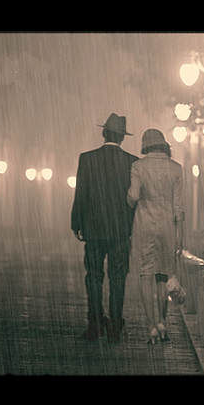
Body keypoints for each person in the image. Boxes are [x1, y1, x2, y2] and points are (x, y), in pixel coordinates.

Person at [71, 113, 138, 343]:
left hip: (94, 229)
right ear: (122, 137)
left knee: (93, 277)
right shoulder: (132, 162)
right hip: (120, 231)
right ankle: (115, 326)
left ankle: (95, 324)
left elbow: (81, 193)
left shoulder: (87, 159)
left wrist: (77, 222)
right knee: (117, 279)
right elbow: (134, 198)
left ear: (103, 133)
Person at [127, 129, 184, 344]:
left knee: (145, 274)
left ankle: (150, 326)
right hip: (167, 226)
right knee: (163, 275)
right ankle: (162, 322)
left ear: (145, 145)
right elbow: (178, 207)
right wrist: (179, 235)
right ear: (163, 144)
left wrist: (130, 201)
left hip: (144, 225)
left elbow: (133, 195)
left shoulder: (138, 166)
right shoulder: (175, 168)